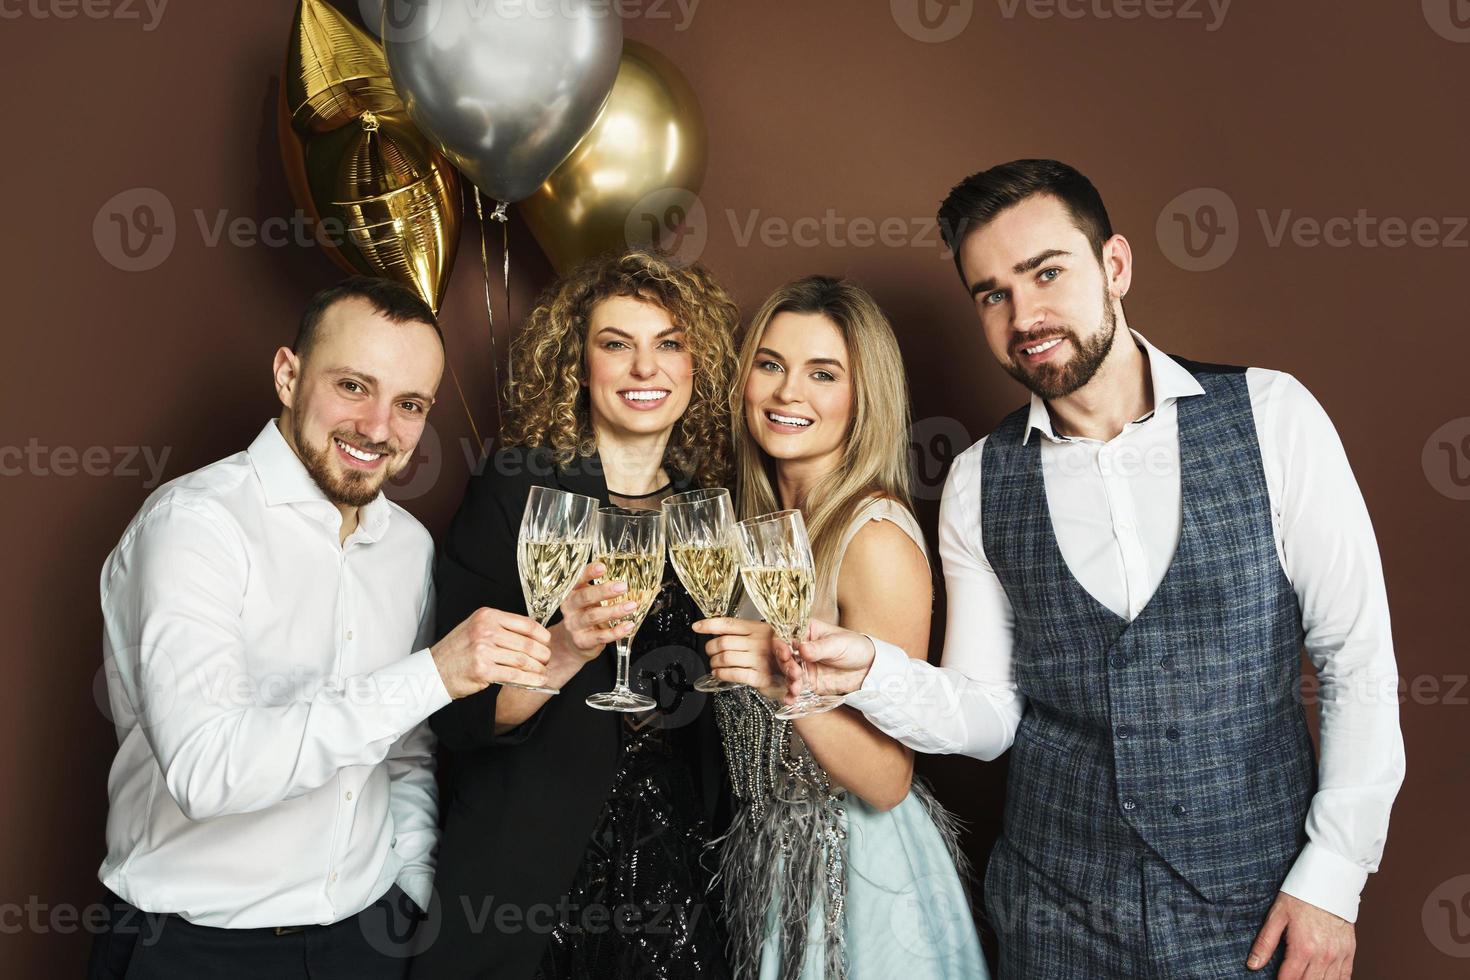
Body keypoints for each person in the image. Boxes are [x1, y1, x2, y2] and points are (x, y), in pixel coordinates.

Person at [782, 160, 1406, 978]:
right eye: (992, 293)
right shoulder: (979, 477)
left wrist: (1333, 879)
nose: (1024, 314)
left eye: (1047, 272)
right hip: (1057, 921)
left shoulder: (1273, 416)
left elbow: (1355, 659)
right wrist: (867, 672)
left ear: (1115, 265)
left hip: (1253, 911)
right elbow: (988, 714)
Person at [87, 277, 555, 980]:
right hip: (195, 948)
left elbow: (404, 755)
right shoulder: (194, 527)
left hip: (365, 941)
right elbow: (207, 771)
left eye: (409, 405)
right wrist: (433, 674)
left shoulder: (408, 549)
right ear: (288, 374)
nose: (377, 428)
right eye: (352, 386)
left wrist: (410, 889)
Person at [410, 249, 741, 980]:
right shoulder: (514, 490)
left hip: (682, 873)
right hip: (534, 873)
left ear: (698, 367)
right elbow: (457, 719)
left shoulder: (711, 509)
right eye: (616, 344)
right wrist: (565, 647)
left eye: (669, 345)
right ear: (578, 364)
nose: (643, 369)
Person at [693, 276, 985, 979]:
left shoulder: (873, 540)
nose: (788, 393)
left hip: (857, 875)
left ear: (862, 398)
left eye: (822, 374)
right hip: (761, 865)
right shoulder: (745, 529)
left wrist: (781, 685)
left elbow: (887, 779)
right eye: (770, 365)